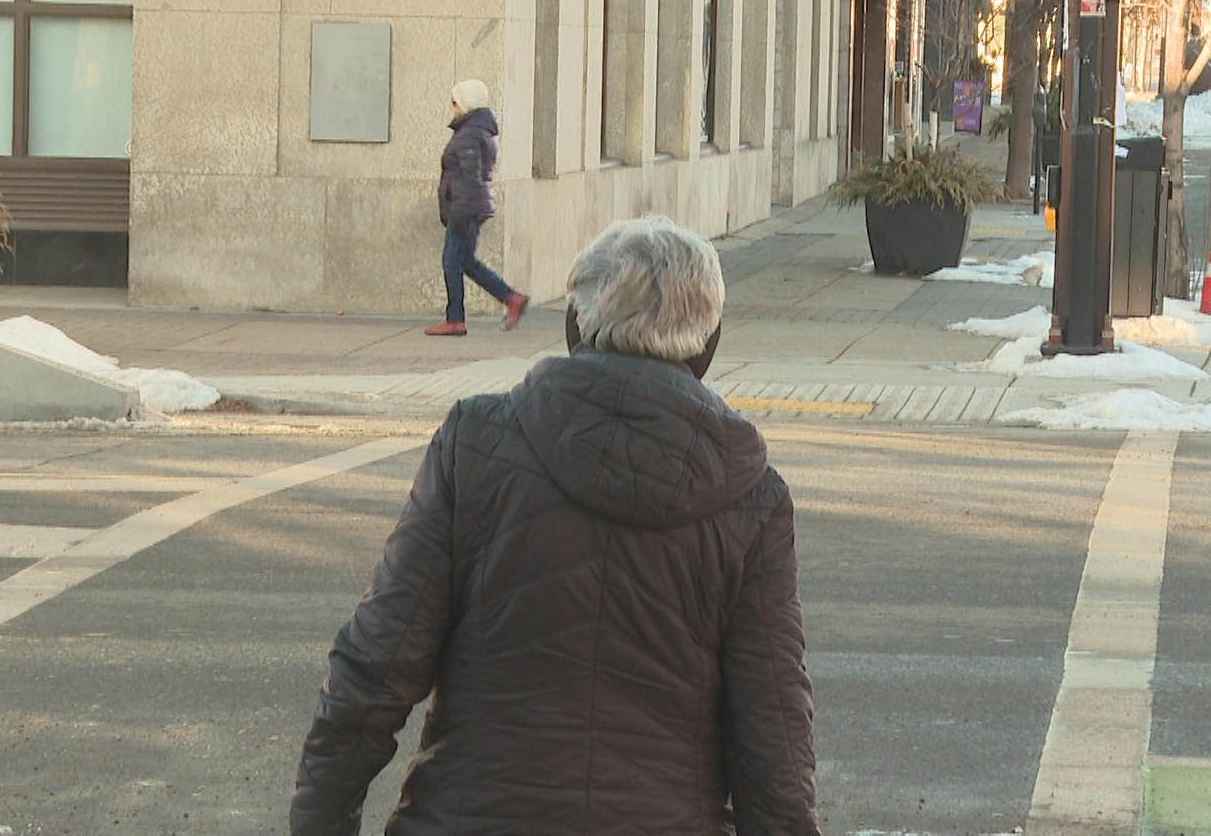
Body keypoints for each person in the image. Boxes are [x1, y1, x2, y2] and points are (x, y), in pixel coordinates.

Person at [291, 217, 819, 835]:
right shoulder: (750, 499)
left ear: (574, 327)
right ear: (708, 347)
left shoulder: (476, 446)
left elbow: (375, 670)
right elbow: (773, 742)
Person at [427, 79, 528, 336]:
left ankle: (456, 319)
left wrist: (459, 211)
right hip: (470, 205)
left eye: (455, 102)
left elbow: (470, 177)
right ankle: (511, 298)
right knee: (466, 262)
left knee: (452, 260)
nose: (453, 108)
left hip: (466, 207)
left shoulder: (470, 134)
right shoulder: (476, 130)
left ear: (466, 103)